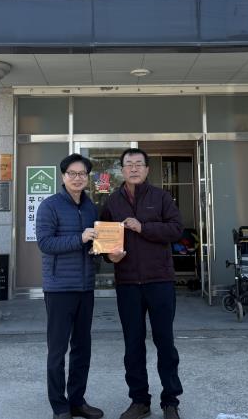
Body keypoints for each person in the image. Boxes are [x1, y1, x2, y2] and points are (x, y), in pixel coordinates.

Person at [102, 148, 184, 419]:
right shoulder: (112, 201)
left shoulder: (161, 197)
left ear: (147, 169)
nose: (134, 168)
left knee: (165, 342)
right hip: (127, 283)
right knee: (133, 345)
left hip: (159, 280)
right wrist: (109, 256)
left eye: (139, 164)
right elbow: (103, 239)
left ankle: (170, 401)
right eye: (129, 164)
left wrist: (143, 227)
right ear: (122, 170)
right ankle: (139, 401)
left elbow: (176, 230)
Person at [36, 153, 104, 419]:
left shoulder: (90, 207)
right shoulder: (49, 206)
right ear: (63, 176)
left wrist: (97, 251)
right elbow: (45, 243)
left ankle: (77, 401)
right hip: (59, 288)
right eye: (72, 174)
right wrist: (80, 238)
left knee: (82, 348)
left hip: (85, 287)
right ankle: (59, 406)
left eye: (82, 174)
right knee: (57, 350)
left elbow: (92, 243)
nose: (78, 178)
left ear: (88, 178)